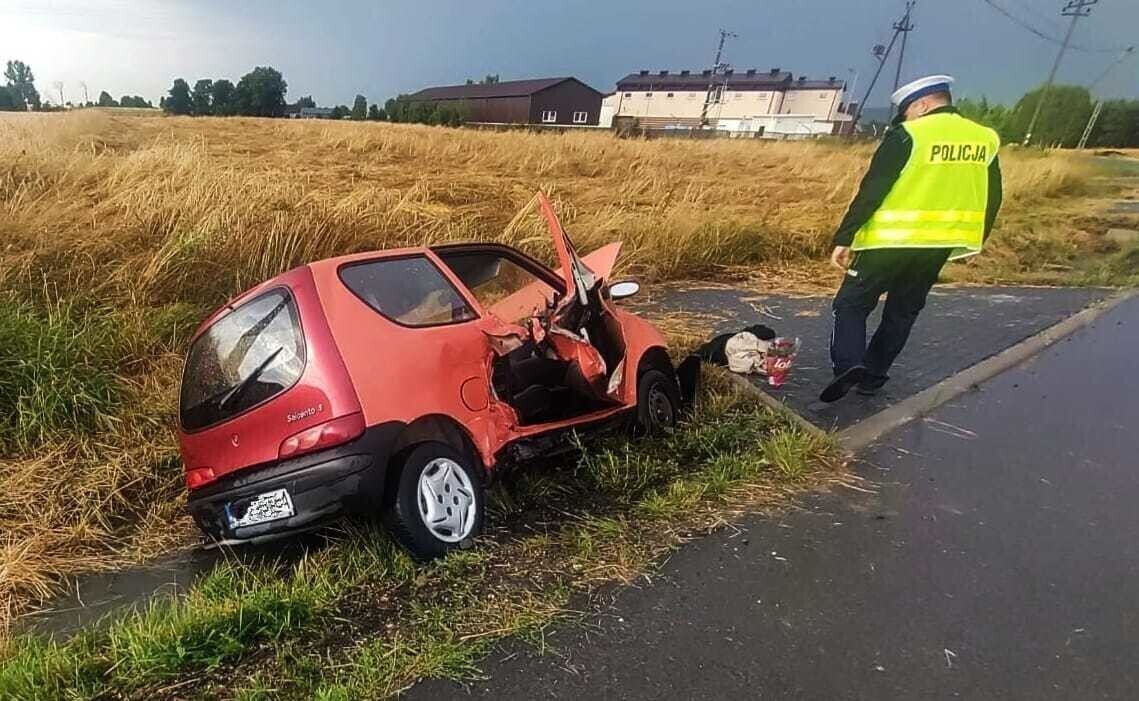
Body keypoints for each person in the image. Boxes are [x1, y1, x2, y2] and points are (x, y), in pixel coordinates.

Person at [820, 74, 1003, 403]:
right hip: (938, 245)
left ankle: (848, 365)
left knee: (851, 304)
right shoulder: (985, 138)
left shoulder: (908, 134)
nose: (905, 117)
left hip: (888, 242)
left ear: (922, 104)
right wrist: (978, 237)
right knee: (902, 312)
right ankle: (873, 377)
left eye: (906, 110)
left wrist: (845, 236)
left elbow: (873, 189)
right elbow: (993, 196)